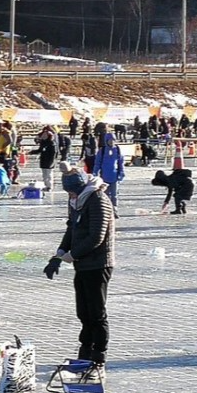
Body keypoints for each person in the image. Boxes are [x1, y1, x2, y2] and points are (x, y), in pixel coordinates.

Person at [43, 162, 115, 378]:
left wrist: (72, 255)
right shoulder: (76, 200)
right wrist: (59, 254)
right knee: (83, 313)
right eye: (68, 193)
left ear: (81, 187)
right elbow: (71, 228)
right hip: (82, 264)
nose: (71, 196)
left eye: (73, 192)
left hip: (98, 264)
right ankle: (84, 355)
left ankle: (98, 359)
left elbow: (96, 236)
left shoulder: (98, 199)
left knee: (97, 313)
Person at [94, 132, 125, 216]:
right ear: (106, 141)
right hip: (104, 177)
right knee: (105, 196)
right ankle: (106, 211)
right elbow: (97, 163)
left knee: (114, 195)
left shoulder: (117, 150)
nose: (111, 142)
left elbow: (120, 163)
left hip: (114, 177)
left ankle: (114, 210)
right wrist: (95, 173)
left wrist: (121, 173)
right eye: (110, 140)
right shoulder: (102, 151)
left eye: (113, 140)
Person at [29, 126, 57, 191]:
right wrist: (31, 152)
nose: (43, 136)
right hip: (43, 160)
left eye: (45, 135)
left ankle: (49, 186)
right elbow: (40, 150)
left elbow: (53, 154)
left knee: (49, 174)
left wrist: (51, 162)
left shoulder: (52, 144)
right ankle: (46, 185)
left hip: (49, 161)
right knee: (44, 175)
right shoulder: (43, 142)